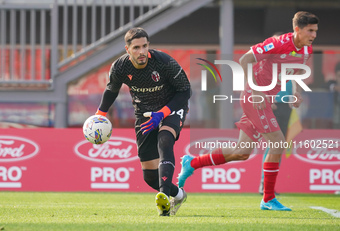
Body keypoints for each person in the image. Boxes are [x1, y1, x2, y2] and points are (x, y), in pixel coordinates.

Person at [178, 11, 319, 211]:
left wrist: (296, 92)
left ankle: (192, 163)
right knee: (278, 143)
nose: (314, 35)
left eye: (315, 31)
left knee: (241, 152)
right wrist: (256, 91)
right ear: (297, 29)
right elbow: (245, 60)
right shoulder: (277, 43)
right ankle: (268, 199)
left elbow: (295, 72)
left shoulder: (306, 51)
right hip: (254, 98)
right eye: (310, 31)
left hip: (265, 101)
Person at [95, 27, 191, 216]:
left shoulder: (163, 62)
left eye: (145, 46)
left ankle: (163, 199)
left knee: (165, 140)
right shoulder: (120, 67)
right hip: (144, 114)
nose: (142, 52)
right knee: (149, 176)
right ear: (127, 49)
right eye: (137, 47)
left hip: (171, 108)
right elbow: (111, 90)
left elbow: (185, 91)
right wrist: (100, 114)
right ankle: (178, 194)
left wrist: (162, 113)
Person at [327, 62, 340, 129]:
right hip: (335, 122)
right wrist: (335, 87)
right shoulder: (331, 83)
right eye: (339, 76)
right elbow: (326, 86)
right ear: (335, 76)